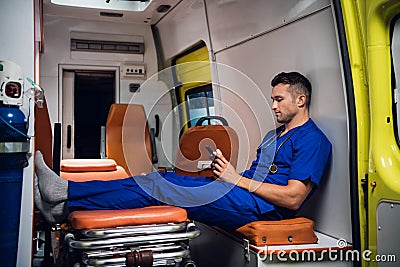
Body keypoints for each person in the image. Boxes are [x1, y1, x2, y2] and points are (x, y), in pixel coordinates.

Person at [34, 71, 332, 231]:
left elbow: (293, 199)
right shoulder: (273, 136)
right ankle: (63, 198)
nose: (273, 105)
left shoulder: (312, 140)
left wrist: (234, 179)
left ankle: (65, 196)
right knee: (156, 178)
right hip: (240, 194)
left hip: (261, 211)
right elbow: (255, 176)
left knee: (158, 188)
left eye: (279, 99)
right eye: (272, 99)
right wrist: (227, 174)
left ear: (301, 100)